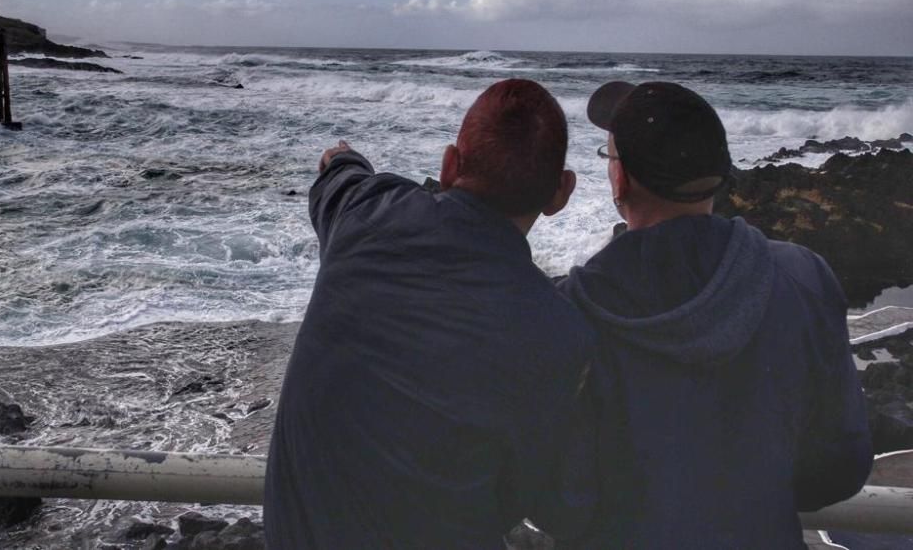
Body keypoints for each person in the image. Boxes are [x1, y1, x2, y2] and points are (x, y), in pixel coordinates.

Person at [264, 79, 597, 549]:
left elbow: (337, 177)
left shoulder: (365, 214)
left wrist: (343, 158)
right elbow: (529, 499)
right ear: (561, 193)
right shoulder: (561, 335)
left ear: (448, 166)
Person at [553, 81, 873, 548]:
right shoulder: (804, 277)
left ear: (620, 180)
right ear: (721, 173)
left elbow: (560, 501)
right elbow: (840, 468)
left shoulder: (570, 309)